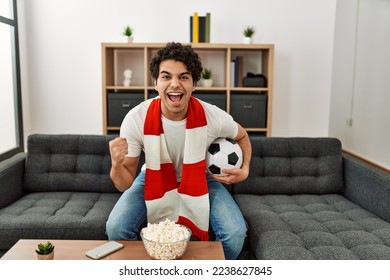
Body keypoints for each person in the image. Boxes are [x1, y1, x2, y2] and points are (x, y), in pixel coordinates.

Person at [106, 42, 251, 260]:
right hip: (152, 175)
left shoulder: (211, 116)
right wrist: (116, 164)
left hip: (201, 177)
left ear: (194, 83)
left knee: (235, 233)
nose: (175, 84)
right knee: (116, 228)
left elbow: (243, 136)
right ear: (155, 82)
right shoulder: (136, 119)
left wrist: (246, 169)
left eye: (183, 77)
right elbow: (123, 184)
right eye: (166, 77)